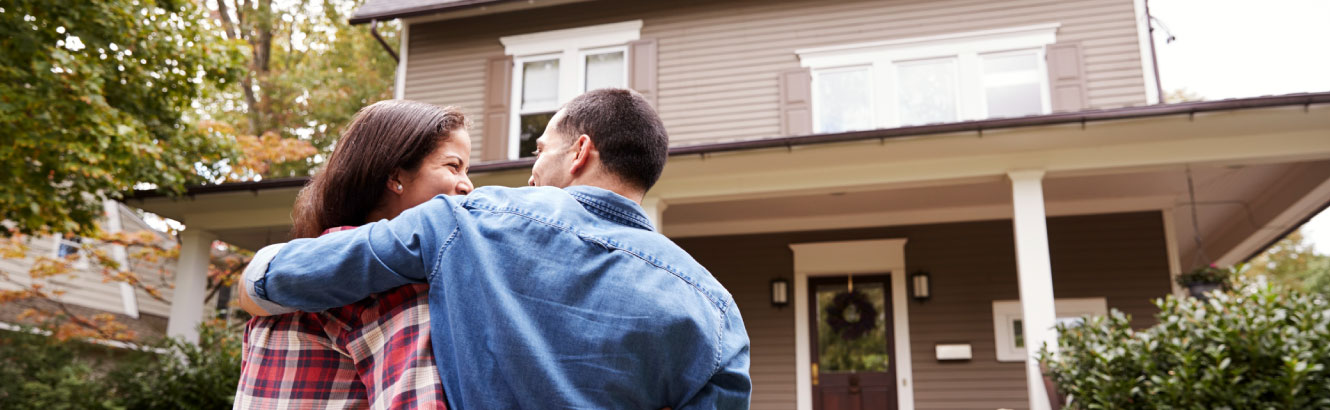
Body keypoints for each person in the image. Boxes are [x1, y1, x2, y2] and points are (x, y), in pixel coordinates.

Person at [240, 88, 752, 409]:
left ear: (579, 152)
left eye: (540, 150)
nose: (531, 172)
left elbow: (294, 273)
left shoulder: (469, 220)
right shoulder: (718, 312)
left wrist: (254, 279)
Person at [234, 100, 474, 409]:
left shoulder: (296, 267)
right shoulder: (390, 280)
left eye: (467, 170)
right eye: (454, 166)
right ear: (395, 176)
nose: (468, 186)